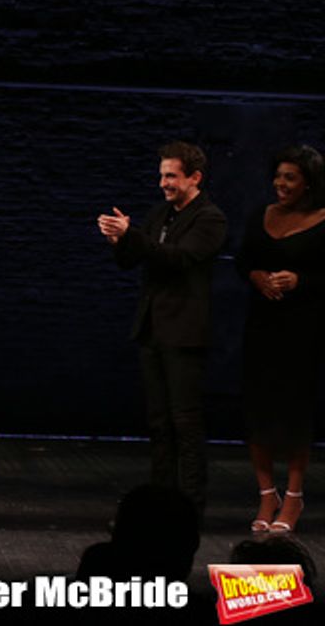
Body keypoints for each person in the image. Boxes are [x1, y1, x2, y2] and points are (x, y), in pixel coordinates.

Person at [98, 141, 227, 518]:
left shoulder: (210, 218)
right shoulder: (161, 214)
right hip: (152, 329)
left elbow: (179, 259)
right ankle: (160, 505)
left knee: (184, 423)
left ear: (195, 177)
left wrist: (133, 235)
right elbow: (135, 260)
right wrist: (119, 241)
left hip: (184, 332)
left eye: (171, 176)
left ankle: (189, 508)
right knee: (158, 423)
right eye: (162, 175)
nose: (163, 183)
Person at [235, 145, 325, 533]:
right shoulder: (262, 215)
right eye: (278, 176)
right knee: (258, 409)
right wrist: (255, 276)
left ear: (308, 183)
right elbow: (243, 259)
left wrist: (301, 280)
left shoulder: (323, 220)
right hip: (262, 326)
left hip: (302, 329)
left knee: (293, 412)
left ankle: (293, 496)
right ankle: (266, 493)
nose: (281, 184)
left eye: (290, 177)